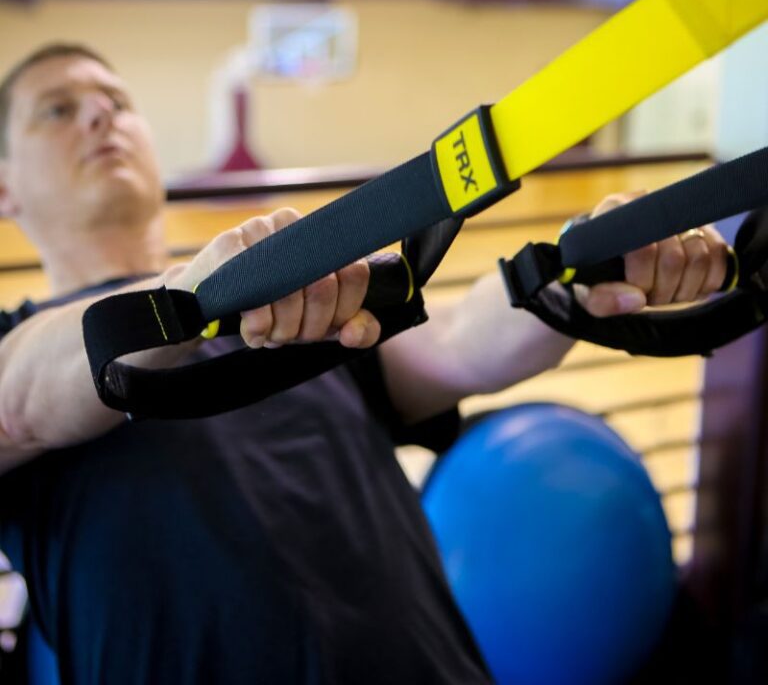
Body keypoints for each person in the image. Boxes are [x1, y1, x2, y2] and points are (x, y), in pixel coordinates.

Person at [0, 44, 729, 685]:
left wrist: (577, 274)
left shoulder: (303, 308)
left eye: (117, 102)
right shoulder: (23, 343)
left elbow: (455, 348)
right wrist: (188, 299)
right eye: (58, 110)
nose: (101, 116)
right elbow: (20, 401)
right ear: (4, 188)